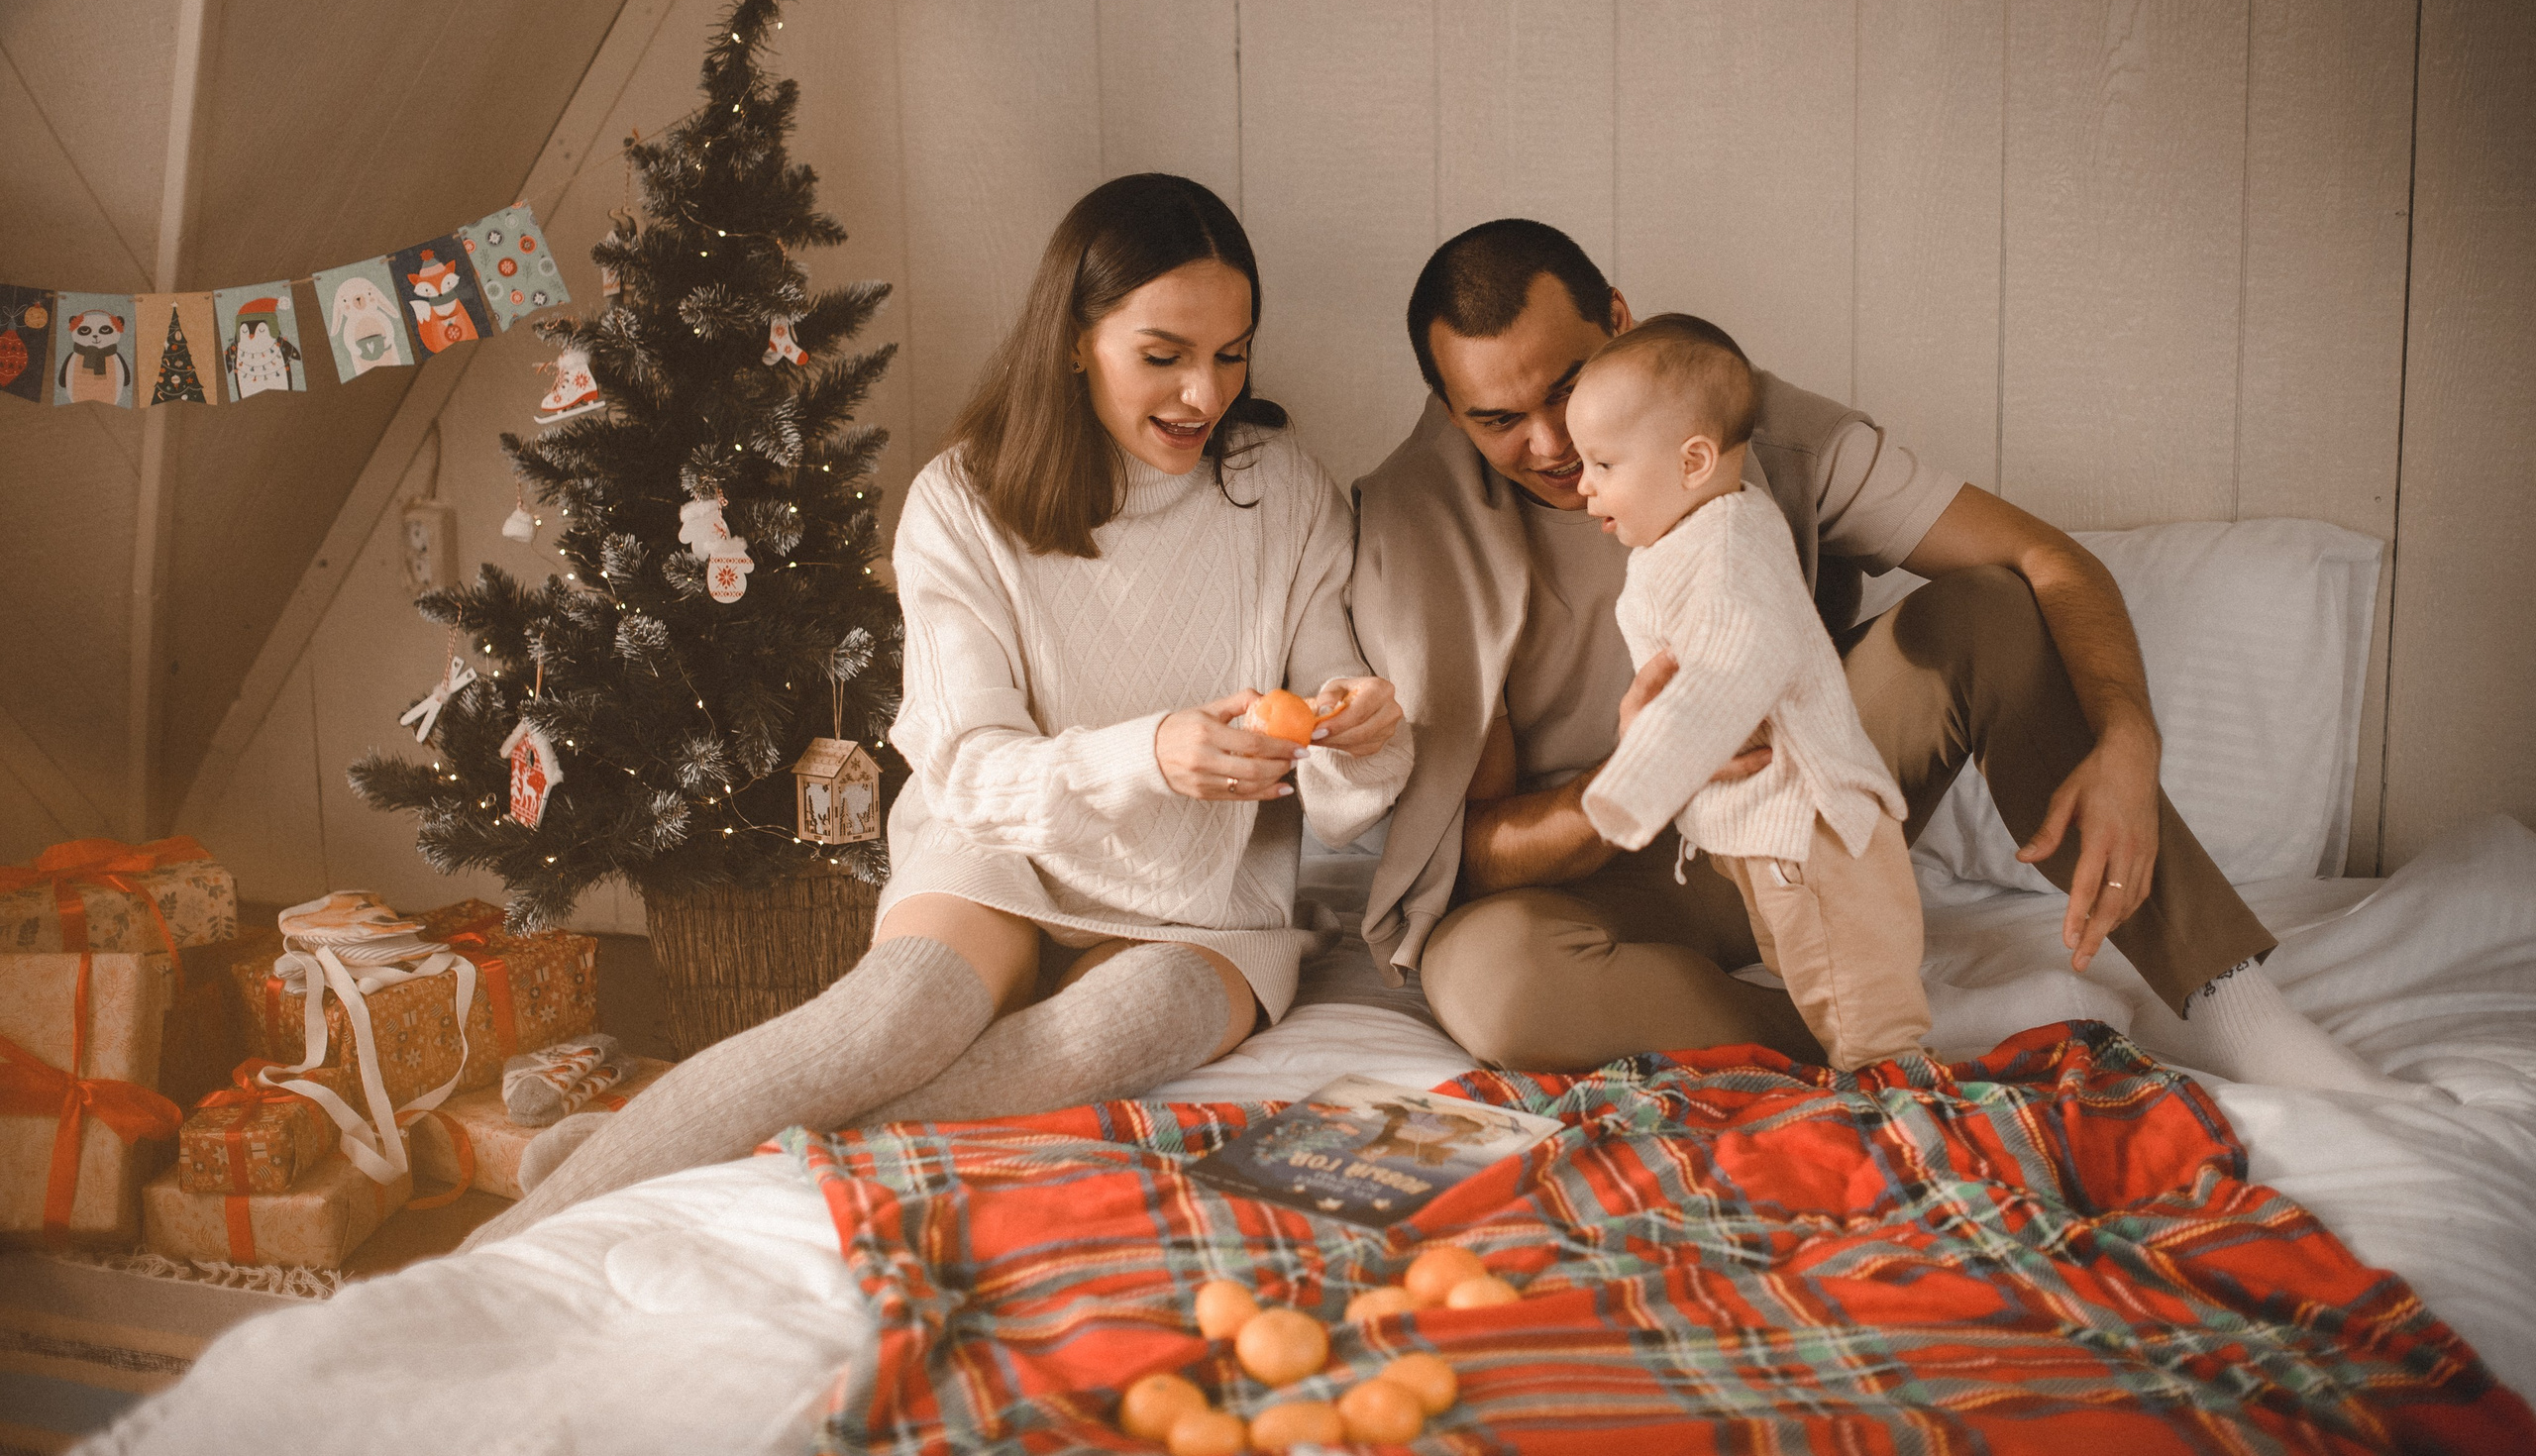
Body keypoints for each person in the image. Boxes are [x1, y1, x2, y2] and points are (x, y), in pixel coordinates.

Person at [471, 173, 1411, 1248]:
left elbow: (1344, 797)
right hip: (1000, 853)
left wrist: (1360, 730)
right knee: (887, 1018)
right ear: (1071, 339)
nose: (1205, 393)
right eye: (1164, 355)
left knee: (1120, 1025)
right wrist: (1146, 751)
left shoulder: (1283, 492)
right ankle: (503, 1242)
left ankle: (646, 1155)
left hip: (1202, 900)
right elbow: (966, 765)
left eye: (1231, 353)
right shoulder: (962, 501)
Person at [1347, 216, 2413, 1097]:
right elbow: (1473, 850)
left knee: (1985, 609)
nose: (1551, 445)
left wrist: (2130, 737)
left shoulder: (1742, 422)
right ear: (1448, 409)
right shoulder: (1415, 527)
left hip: (1794, 816)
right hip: (1610, 876)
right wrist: (1636, 772)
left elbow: (2046, 559)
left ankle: (2228, 1003)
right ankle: (1892, 1029)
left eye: (1567, 388)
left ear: (1619, 322)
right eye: (1496, 418)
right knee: (1493, 985)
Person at [1567, 318, 1929, 1071]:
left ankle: (1902, 1106)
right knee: (1814, 977)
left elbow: (1740, 661)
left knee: (1859, 1007)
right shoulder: (1695, 535)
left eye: (1602, 462)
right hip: (1767, 830)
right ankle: (1873, 1069)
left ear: (1694, 459)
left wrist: (1640, 775)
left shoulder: (1726, 544)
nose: (1582, 484)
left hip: (1804, 824)